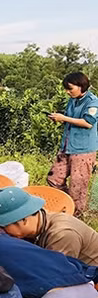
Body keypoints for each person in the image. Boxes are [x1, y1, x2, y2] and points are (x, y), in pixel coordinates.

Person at [0, 186, 98, 265]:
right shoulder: (39, 224)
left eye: (3, 227)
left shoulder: (62, 234)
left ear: (23, 220)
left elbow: (57, 274)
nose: (2, 232)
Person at [47, 72, 98, 215]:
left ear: (81, 86)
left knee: (78, 186)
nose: (67, 92)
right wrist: (60, 118)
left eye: (70, 88)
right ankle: (67, 204)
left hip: (83, 151)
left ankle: (77, 216)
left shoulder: (92, 102)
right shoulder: (73, 100)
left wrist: (64, 118)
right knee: (53, 178)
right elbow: (71, 118)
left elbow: (88, 122)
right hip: (67, 147)